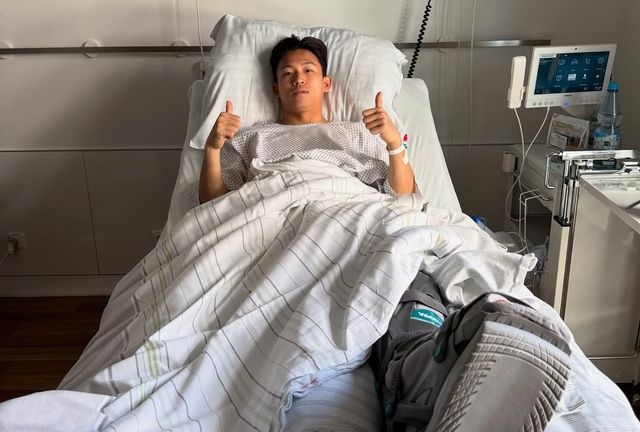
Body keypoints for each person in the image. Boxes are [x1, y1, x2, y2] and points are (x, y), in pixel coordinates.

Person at [199, 35, 416, 204]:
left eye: (308, 70)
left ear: (326, 84)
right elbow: (213, 206)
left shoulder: (362, 134)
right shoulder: (249, 139)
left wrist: (394, 143)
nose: (298, 79)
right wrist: (212, 149)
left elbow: (403, 197)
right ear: (276, 89)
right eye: (287, 73)